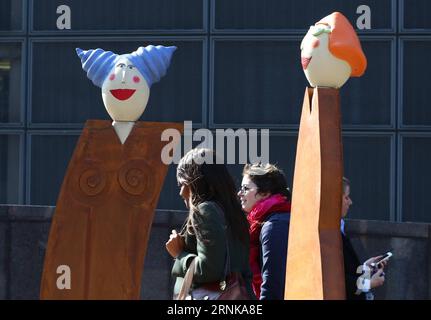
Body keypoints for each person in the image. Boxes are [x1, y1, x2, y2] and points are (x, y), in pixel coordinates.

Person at [165, 148, 254, 299]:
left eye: (181, 184)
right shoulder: (234, 213)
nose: (180, 192)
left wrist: (179, 254)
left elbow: (209, 269)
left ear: (194, 182)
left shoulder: (205, 210)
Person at [238, 163, 291, 300]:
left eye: (245, 188)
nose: (240, 193)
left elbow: (272, 284)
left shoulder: (274, 226)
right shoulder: (277, 219)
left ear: (265, 193)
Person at [342, 177, 387, 300]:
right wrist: (369, 283)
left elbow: (347, 272)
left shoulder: (339, 229)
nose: (350, 202)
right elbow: (336, 279)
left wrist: (365, 268)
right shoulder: (330, 234)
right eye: (346, 197)